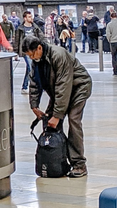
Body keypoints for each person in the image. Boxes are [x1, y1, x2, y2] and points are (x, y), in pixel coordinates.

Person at [24, 36, 93, 178]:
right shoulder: (36, 61)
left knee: (73, 120)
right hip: (60, 92)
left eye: (32, 54)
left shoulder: (58, 55)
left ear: (39, 48)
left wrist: (57, 115)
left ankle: (79, 164)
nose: (31, 58)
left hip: (78, 87)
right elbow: (34, 83)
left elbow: (64, 85)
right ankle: (57, 162)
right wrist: (34, 105)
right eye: (28, 56)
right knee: (50, 123)